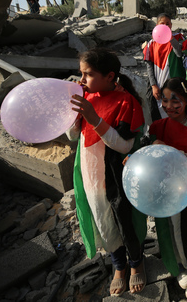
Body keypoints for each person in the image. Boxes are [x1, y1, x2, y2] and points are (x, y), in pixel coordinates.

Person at [67, 48, 146, 296]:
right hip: (90, 172)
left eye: (88, 74)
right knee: (102, 219)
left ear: (110, 76)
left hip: (114, 175)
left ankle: (135, 264)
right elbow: (72, 136)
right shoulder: (86, 97)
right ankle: (118, 266)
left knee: (124, 219)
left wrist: (93, 118)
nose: (81, 80)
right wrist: (71, 115)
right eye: (81, 74)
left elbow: (124, 145)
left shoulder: (126, 102)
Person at [145, 77, 187, 299]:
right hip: (168, 191)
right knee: (172, 230)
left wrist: (170, 153)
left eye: (176, 101)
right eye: (164, 100)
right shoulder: (158, 127)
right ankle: (182, 266)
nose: (169, 106)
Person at [143, 13, 186, 122]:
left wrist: (171, 39)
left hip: (175, 82)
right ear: (157, 26)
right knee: (159, 112)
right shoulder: (151, 44)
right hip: (158, 83)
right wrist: (153, 85)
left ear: (171, 25)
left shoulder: (178, 37)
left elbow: (180, 54)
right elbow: (149, 65)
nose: (165, 26)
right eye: (162, 23)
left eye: (168, 24)